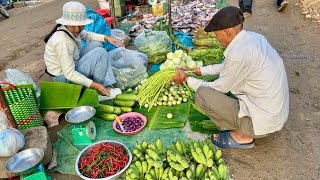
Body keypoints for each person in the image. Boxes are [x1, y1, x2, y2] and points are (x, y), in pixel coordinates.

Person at [173, 6, 289, 149]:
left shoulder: (238, 54)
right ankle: (244, 127)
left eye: (217, 35)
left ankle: (242, 135)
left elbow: (218, 88)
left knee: (203, 95)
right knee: (223, 91)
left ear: (227, 32)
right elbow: (226, 66)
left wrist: (186, 80)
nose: (216, 38)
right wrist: (197, 70)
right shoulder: (254, 38)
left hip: (262, 123)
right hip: (275, 114)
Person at [44, 1, 124, 97]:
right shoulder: (62, 40)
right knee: (100, 53)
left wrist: (107, 38)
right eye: (74, 25)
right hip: (64, 79)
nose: (77, 29)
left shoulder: (69, 30)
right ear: (66, 23)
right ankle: (103, 89)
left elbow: (87, 35)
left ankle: (99, 82)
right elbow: (69, 73)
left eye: (80, 25)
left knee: (96, 44)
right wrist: (94, 85)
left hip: (71, 66)